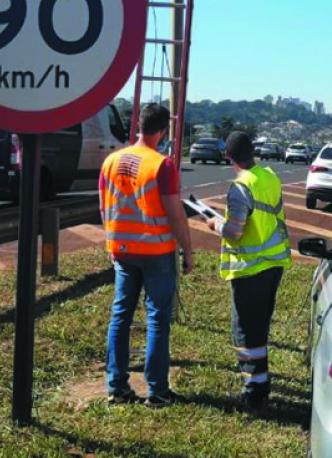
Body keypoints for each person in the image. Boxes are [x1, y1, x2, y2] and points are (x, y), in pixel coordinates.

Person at [100, 103, 194, 407]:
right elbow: (175, 214)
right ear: (163, 130)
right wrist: (188, 251)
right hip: (156, 251)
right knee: (157, 319)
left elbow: (103, 207)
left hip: (122, 250)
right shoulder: (161, 165)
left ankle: (117, 386)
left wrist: (113, 242)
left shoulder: (110, 162)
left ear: (137, 126)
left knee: (120, 316)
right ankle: (157, 391)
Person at [209, 131, 292, 405]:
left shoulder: (240, 187)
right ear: (252, 152)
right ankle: (261, 381)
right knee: (260, 325)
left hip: (250, 269)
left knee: (246, 329)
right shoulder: (269, 176)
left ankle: (255, 391)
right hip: (274, 264)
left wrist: (214, 224)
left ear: (228, 156)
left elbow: (234, 232)